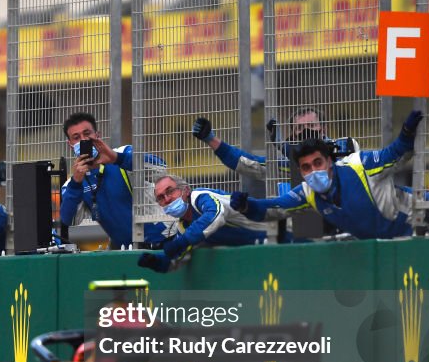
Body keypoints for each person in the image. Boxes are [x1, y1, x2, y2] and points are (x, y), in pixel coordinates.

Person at [229, 110, 429, 239]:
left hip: (420, 216)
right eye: (306, 167)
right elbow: (271, 208)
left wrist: (405, 135)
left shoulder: (355, 158)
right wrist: (247, 206)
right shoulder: (304, 189)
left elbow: (394, 155)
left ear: (330, 159)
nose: (314, 171)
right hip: (371, 240)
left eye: (318, 162)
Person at [59, 112, 165, 250]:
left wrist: (116, 158)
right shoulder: (72, 184)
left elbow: (160, 167)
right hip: (127, 251)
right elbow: (69, 220)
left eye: (87, 133)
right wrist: (76, 182)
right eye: (76, 137)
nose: (83, 140)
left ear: (97, 135)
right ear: (70, 144)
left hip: (162, 241)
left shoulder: (122, 152)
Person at [137, 175, 274, 273]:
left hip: (275, 236)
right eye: (161, 198)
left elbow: (214, 215)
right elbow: (177, 259)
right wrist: (156, 262)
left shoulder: (200, 196)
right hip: (255, 258)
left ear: (185, 190)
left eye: (170, 191)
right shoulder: (183, 227)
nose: (167, 199)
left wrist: (181, 242)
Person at [192, 107, 359, 180]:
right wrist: (210, 139)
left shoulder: (345, 147)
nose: (306, 131)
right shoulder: (284, 165)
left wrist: (281, 145)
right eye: (300, 128)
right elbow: (245, 162)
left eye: (311, 126)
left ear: (324, 128)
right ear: (293, 135)